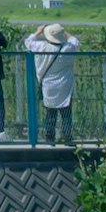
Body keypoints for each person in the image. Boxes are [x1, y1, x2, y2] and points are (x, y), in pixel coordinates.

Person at [32, 20, 79, 149]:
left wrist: (39, 31)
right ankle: (68, 137)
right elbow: (75, 40)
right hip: (65, 85)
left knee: (50, 113)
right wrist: (64, 32)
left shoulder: (42, 47)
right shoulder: (68, 48)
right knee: (66, 113)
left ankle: (49, 139)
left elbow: (28, 42)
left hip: (48, 85)